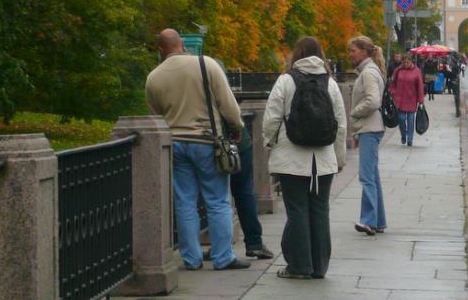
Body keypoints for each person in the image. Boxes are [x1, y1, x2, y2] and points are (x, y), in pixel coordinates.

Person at [145, 29, 251, 271]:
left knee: (185, 202)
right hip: (207, 142)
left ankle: (191, 259)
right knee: (217, 201)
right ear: (181, 44)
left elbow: (155, 116)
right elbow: (228, 104)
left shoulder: (154, 77)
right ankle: (223, 258)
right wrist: (236, 127)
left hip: (175, 145)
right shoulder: (206, 65)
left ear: (160, 50)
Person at [262, 37, 347, 280]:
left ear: (296, 54)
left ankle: (300, 266)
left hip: (291, 158)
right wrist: (339, 158)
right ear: (320, 54)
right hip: (323, 160)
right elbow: (340, 124)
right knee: (320, 210)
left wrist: (269, 143)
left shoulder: (286, 80)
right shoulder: (330, 83)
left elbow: (271, 119)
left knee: (297, 210)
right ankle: (319, 266)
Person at [210, 61, 274, 262]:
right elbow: (233, 115)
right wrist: (238, 127)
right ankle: (254, 243)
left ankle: (213, 246)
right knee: (243, 191)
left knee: (211, 197)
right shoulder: (216, 80)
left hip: (204, 143)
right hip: (235, 143)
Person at [348, 35, 387, 236]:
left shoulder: (368, 73)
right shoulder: (370, 71)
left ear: (364, 52)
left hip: (370, 129)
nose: (350, 54)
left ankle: (369, 221)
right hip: (370, 128)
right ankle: (378, 221)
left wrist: (354, 112)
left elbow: (373, 101)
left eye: (353, 50)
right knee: (372, 176)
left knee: (366, 177)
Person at [389, 54, 425, 146]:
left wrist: (421, 100)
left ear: (411, 61)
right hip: (400, 99)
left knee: (410, 119)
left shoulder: (417, 71)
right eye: (404, 61)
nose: (405, 63)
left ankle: (410, 139)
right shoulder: (398, 70)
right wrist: (393, 92)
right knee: (401, 119)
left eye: (407, 61)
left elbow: (420, 86)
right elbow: (392, 82)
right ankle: (403, 135)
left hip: (412, 99)